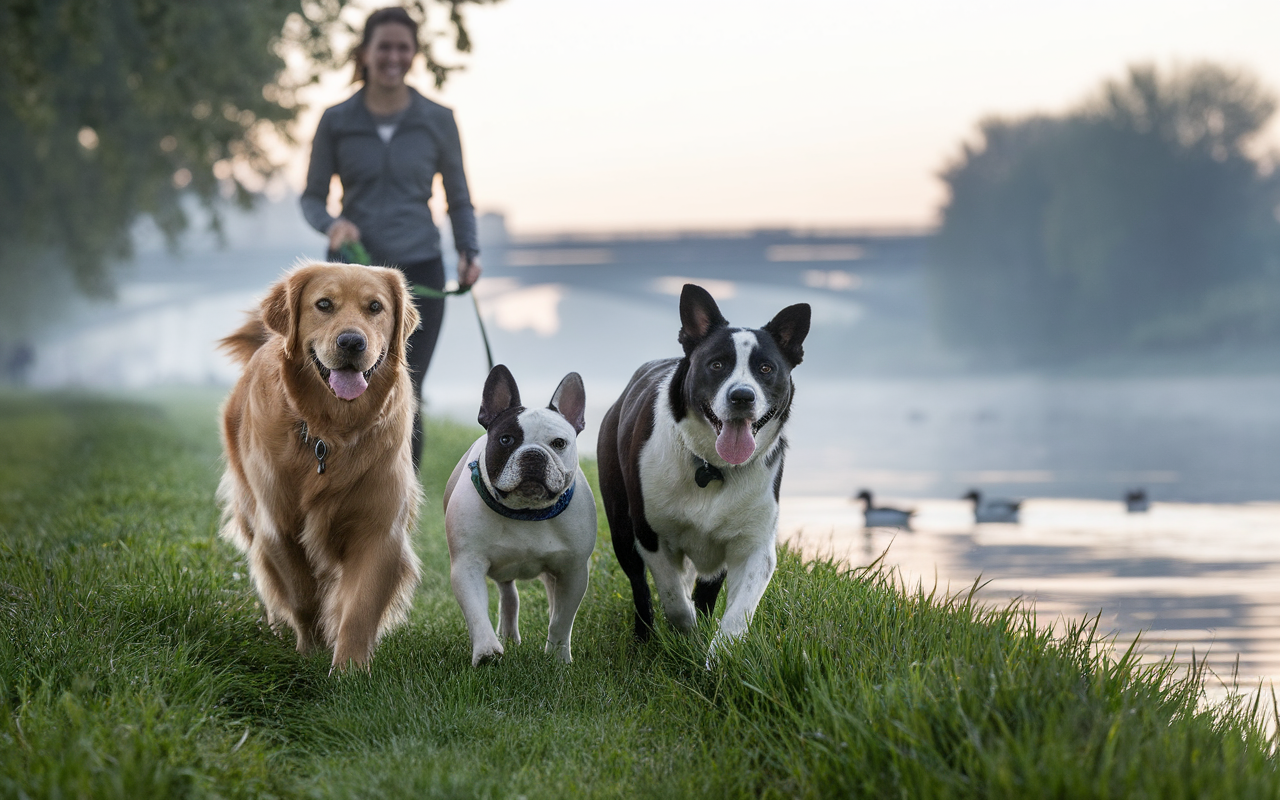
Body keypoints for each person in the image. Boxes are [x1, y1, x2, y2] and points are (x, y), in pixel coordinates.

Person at [301, 5, 482, 472]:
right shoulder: (336, 119)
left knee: (404, 388)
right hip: (349, 275)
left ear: (415, 53)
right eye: (384, 47)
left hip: (416, 274)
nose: (393, 56)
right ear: (365, 52)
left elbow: (459, 198)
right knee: (335, 385)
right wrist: (331, 224)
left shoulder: (438, 119)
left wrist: (469, 249)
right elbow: (312, 198)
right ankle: (332, 488)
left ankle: (394, 508)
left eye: (403, 47)